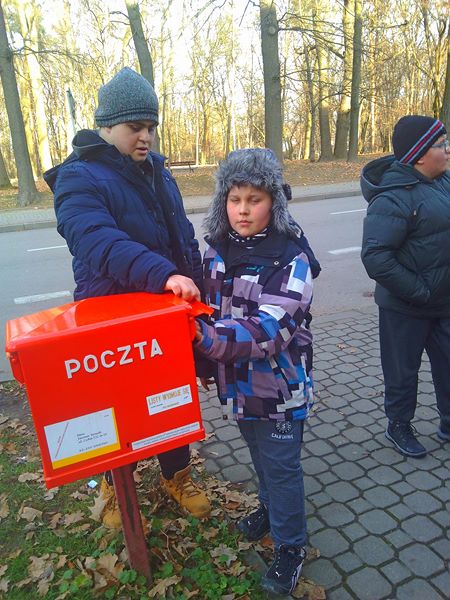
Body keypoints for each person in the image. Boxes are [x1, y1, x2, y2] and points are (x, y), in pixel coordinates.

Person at [44, 67, 210, 524]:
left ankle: (177, 474)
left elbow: (182, 237)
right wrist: (164, 274)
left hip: (165, 313)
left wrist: (196, 286)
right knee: (118, 406)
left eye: (151, 127)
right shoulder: (77, 178)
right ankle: (117, 485)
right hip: (110, 319)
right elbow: (95, 240)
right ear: (106, 126)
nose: (146, 137)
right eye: (135, 127)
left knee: (171, 398)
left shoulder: (159, 172)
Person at [193, 148, 319, 596]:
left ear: (274, 203)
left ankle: (290, 546)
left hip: (279, 389)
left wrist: (203, 339)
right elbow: (209, 308)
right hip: (238, 387)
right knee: (260, 456)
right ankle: (268, 508)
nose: (243, 210)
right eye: (234, 199)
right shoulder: (217, 250)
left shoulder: (291, 258)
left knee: (282, 468)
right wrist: (205, 359)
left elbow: (269, 330)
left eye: (254, 199)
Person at [361, 115, 450, 458]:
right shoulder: (393, 198)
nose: (447, 149)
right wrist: (420, 292)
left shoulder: (442, 182)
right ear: (420, 155)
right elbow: (376, 256)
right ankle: (398, 425)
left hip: (443, 302)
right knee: (402, 373)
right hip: (406, 306)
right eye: (441, 144)